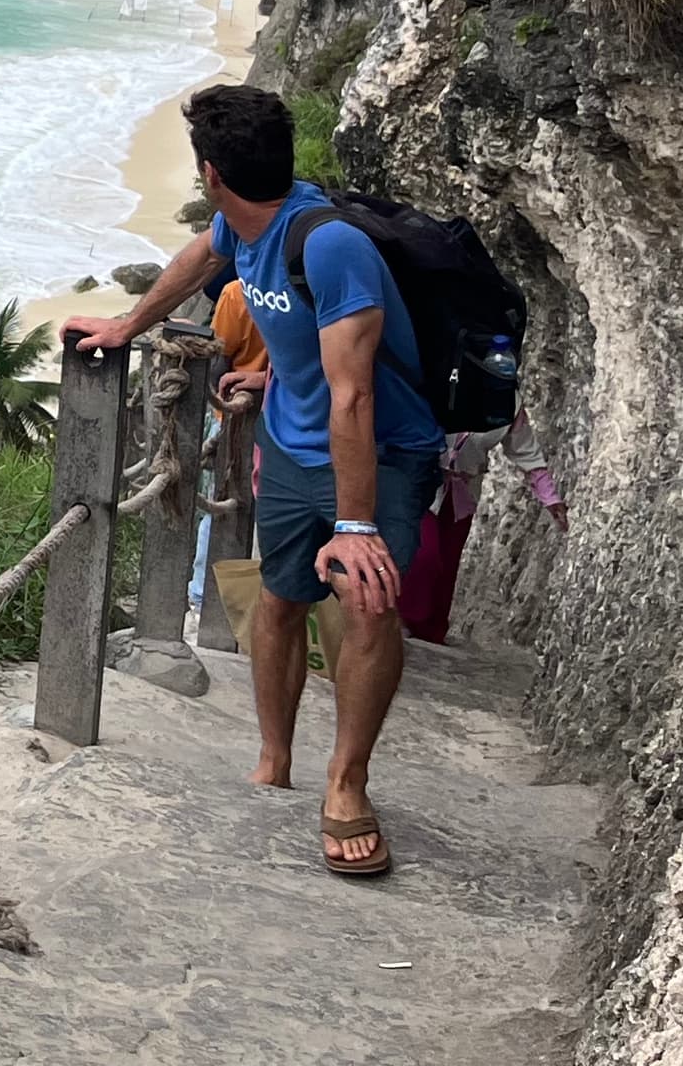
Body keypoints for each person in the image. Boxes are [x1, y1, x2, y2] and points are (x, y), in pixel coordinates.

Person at [72, 83, 446, 879]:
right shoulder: (240, 228)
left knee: (366, 603)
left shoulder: (330, 243)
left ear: (211, 173)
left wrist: (355, 525)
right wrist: (126, 327)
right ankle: (275, 757)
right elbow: (197, 260)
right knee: (278, 600)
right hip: (289, 446)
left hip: (378, 459)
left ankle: (347, 783)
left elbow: (355, 392)